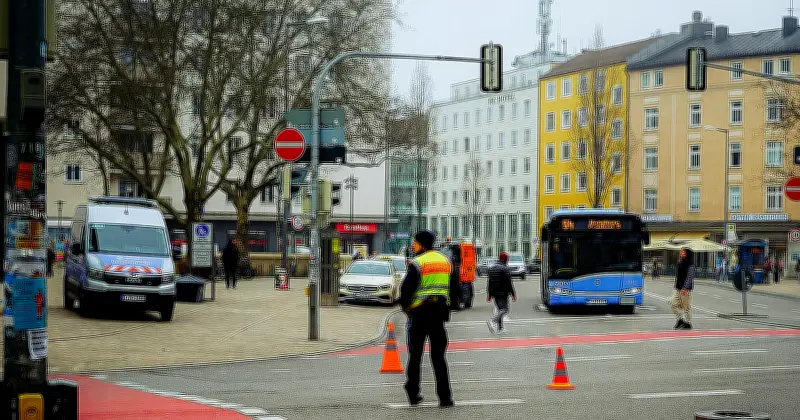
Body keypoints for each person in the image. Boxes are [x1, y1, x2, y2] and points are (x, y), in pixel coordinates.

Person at [397, 230, 454, 407]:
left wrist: (406, 307)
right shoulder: (446, 261)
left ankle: (413, 391)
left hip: (419, 314)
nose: (412, 245)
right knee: (439, 357)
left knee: (415, 355)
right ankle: (445, 398)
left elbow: (406, 289)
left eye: (414, 242)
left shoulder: (417, 263)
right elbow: (454, 288)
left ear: (422, 244)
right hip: (438, 314)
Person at [486, 252, 516, 334]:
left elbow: (490, 282)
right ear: (505, 259)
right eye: (507, 259)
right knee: (505, 309)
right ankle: (493, 321)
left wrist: (489, 294)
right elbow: (509, 283)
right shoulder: (505, 268)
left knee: (500, 309)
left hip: (495, 293)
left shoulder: (492, 268)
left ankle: (500, 328)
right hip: (503, 292)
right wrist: (513, 294)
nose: (508, 260)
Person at [669, 248, 695, 330]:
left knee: (686, 307)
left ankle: (688, 323)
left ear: (688, 255)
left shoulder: (691, 265)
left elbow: (689, 277)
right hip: (677, 288)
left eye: (684, 253)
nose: (682, 254)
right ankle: (681, 319)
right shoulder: (680, 263)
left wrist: (685, 288)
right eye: (681, 253)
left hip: (685, 290)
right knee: (672, 303)